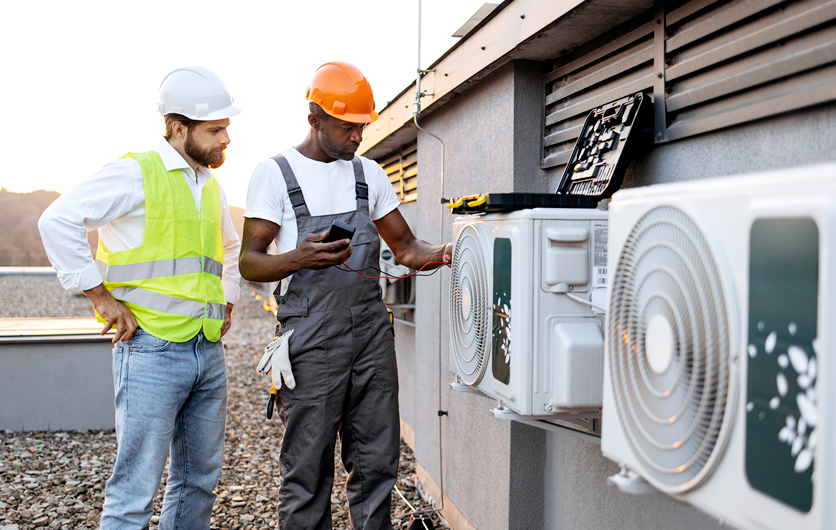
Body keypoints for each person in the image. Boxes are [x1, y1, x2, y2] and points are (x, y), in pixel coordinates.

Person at [239, 61, 451, 529]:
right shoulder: (275, 174)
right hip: (311, 338)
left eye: (362, 127)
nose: (358, 137)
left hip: (371, 335)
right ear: (314, 119)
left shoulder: (369, 175)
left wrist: (455, 252)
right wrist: (299, 258)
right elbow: (250, 262)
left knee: (377, 463)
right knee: (307, 471)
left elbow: (409, 248)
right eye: (347, 128)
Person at [38, 65, 242, 529]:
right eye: (215, 129)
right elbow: (57, 221)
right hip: (150, 350)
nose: (226, 138)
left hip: (206, 350)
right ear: (177, 128)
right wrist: (99, 297)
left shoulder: (207, 183)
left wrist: (227, 298)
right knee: (135, 491)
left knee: (198, 481)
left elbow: (230, 247)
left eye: (227, 127)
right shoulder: (134, 173)